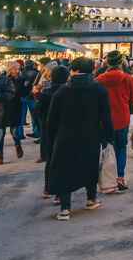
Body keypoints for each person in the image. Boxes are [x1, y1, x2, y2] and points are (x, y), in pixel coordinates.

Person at [47, 57, 114, 221]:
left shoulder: (62, 91)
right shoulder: (99, 90)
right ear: (91, 70)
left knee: (64, 169)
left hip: (65, 136)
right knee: (90, 165)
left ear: (73, 70)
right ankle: (91, 199)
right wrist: (108, 137)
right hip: (91, 136)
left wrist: (51, 137)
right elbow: (106, 116)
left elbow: (51, 120)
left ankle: (65, 208)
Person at [95, 50, 133, 192]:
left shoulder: (99, 79)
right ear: (121, 62)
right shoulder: (128, 78)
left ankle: (106, 179)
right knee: (121, 148)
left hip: (104, 119)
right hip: (122, 118)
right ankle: (120, 177)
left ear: (107, 62)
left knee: (106, 148)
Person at [38, 65, 69, 199]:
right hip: (65, 129)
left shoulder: (46, 93)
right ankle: (59, 192)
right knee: (64, 160)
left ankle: (47, 187)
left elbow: (38, 111)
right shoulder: (68, 92)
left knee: (50, 160)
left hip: (49, 129)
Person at [0, 61, 25, 163]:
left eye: (18, 68)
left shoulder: (21, 79)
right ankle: (0, 156)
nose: (17, 70)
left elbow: (23, 93)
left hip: (15, 108)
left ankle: (18, 145)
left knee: (14, 133)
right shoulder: (2, 79)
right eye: (15, 68)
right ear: (10, 69)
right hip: (2, 109)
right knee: (0, 134)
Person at [21, 60, 41, 139]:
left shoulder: (22, 72)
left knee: (21, 116)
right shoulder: (37, 73)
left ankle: (20, 134)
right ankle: (36, 132)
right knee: (34, 116)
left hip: (23, 96)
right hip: (33, 96)